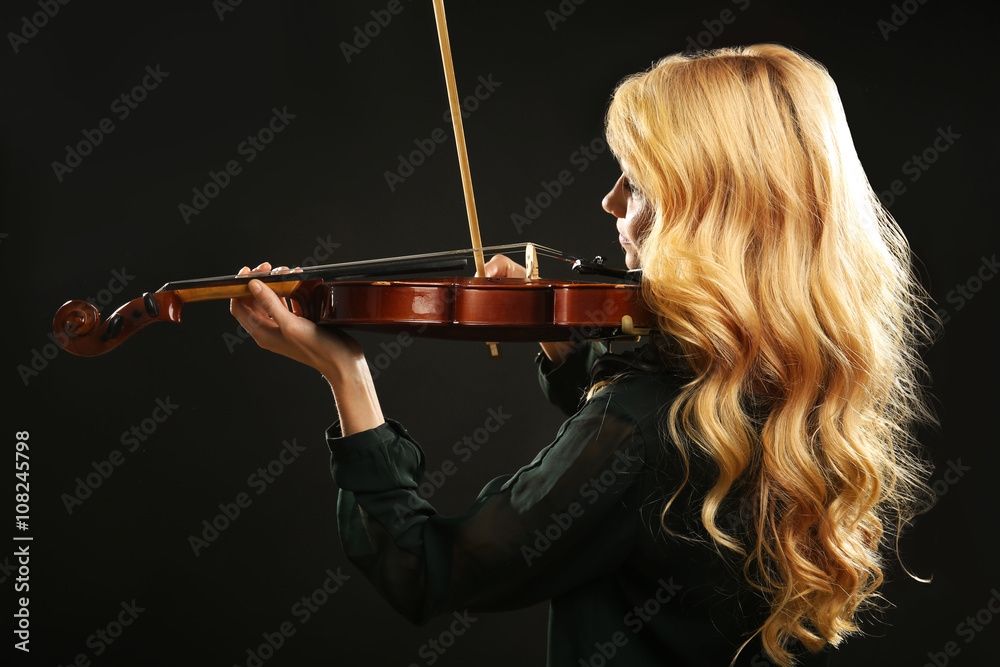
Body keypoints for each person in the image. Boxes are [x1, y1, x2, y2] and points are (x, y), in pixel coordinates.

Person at [230, 44, 935, 666]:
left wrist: (345, 373)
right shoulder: (788, 387)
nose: (608, 202)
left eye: (634, 183)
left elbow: (426, 568)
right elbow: (650, 494)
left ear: (704, 216)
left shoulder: (636, 428)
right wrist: (567, 346)